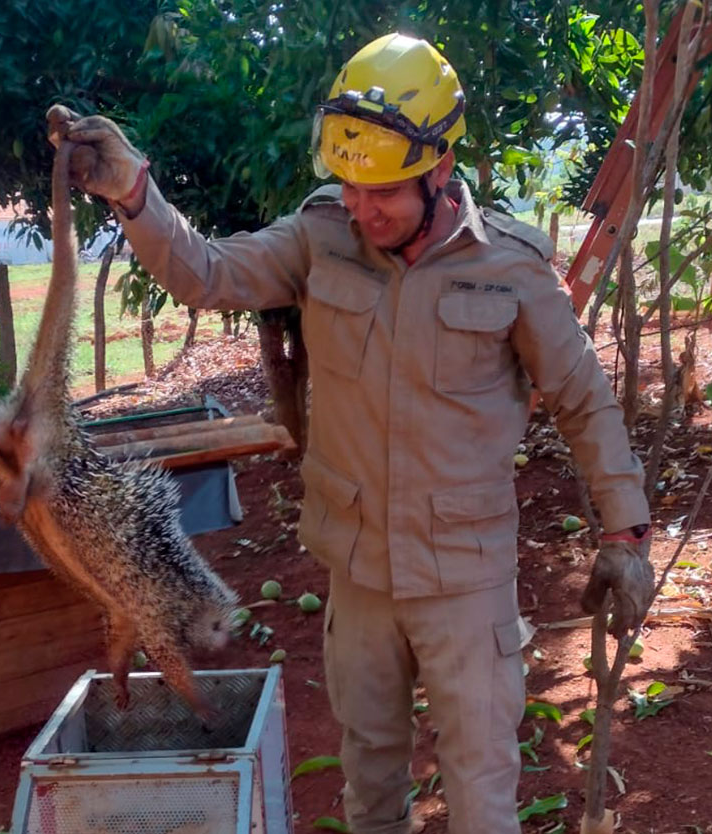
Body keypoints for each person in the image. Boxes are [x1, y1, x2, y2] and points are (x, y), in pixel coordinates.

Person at [50, 31, 654, 834]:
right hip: (360, 576)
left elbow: (583, 399)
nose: (362, 209)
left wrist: (624, 532)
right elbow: (209, 272)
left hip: (466, 586)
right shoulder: (322, 234)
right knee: (370, 793)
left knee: (480, 799)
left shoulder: (510, 267)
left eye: (385, 193)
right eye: (350, 186)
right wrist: (134, 195)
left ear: (440, 170)